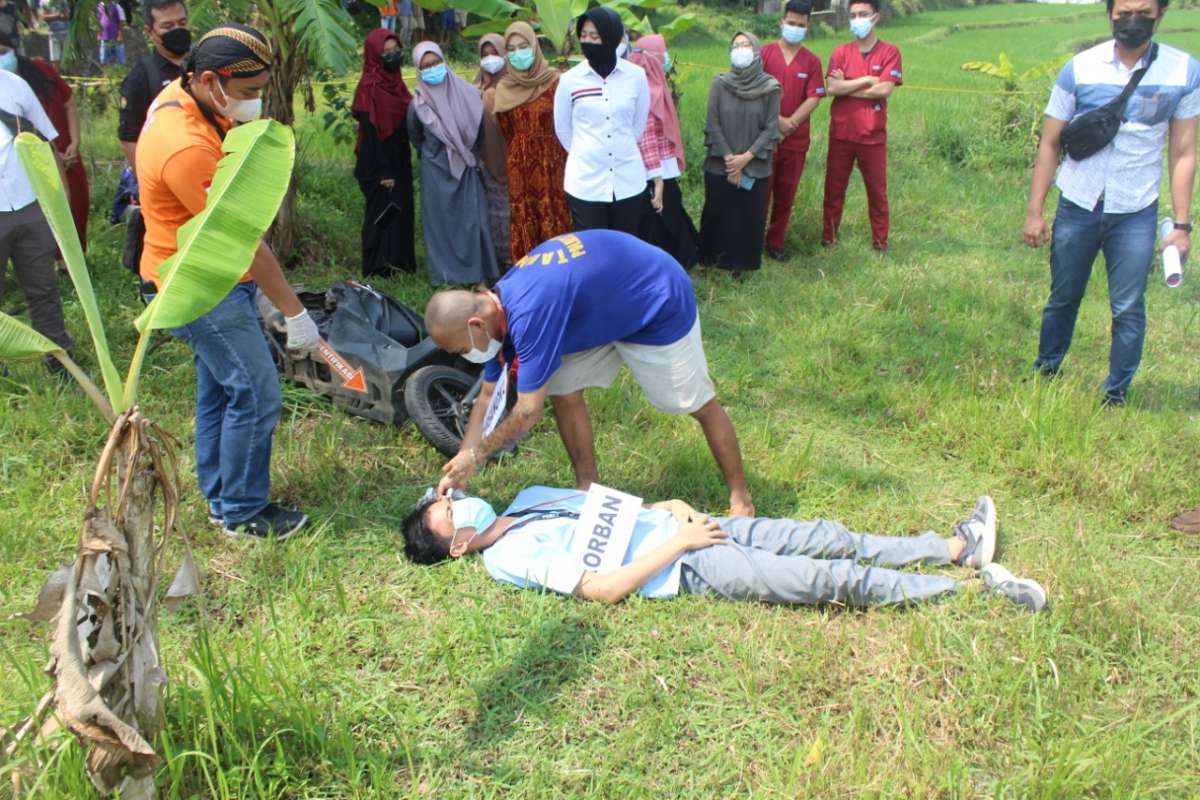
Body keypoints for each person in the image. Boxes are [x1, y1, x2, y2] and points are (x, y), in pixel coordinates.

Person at [423, 229, 756, 517]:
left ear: (475, 324)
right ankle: (588, 487)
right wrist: (462, 464)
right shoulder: (497, 308)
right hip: (608, 308)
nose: (465, 356)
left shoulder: (529, 313)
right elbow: (485, 398)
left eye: (459, 349)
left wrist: (478, 455)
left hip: (655, 301)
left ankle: (740, 498)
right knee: (563, 386)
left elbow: (526, 412)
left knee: (696, 404)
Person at [137, 24, 320, 540]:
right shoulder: (183, 145)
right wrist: (295, 312)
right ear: (209, 80)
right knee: (257, 391)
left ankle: (221, 497)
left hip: (209, 272)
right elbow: (242, 239)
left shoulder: (183, 96)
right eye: (247, 94)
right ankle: (242, 510)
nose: (255, 103)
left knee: (220, 388)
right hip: (196, 283)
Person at [402, 488, 1048, 613]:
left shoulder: (528, 496)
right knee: (827, 579)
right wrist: (679, 541)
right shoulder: (504, 558)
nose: (459, 498)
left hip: (691, 527)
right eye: (449, 509)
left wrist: (673, 508)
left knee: (828, 536)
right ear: (456, 545)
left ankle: (955, 546)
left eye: (449, 494)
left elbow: (616, 507)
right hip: (685, 564)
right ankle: (976, 591)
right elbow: (600, 587)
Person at [1023, 0, 1198, 407]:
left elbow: (1184, 151)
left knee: (1128, 307)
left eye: (1142, 11)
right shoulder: (1080, 68)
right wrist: (1035, 211)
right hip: (1078, 203)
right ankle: (1047, 369)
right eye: (1123, 11)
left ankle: (1116, 393)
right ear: (1109, 14)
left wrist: (1182, 225)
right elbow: (1050, 143)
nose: (1132, 20)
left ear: (1161, 14)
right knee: (1063, 295)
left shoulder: (1184, 72)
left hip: (1136, 209)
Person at [0, 61, 74, 370]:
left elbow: (45, 141)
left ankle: (59, 357)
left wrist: (62, 199)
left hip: (29, 204)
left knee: (43, 288)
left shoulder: (14, 85)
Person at [408, 41, 499, 286]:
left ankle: (478, 276)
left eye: (436, 62)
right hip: (436, 173)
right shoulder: (418, 105)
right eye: (426, 66)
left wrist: (463, 152)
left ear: (444, 61)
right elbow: (415, 136)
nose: (433, 69)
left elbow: (480, 132)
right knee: (442, 226)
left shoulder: (469, 94)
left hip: (467, 168)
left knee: (474, 222)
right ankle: (446, 278)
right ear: (418, 70)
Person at [553, 7, 650, 234]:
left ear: (613, 37)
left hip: (627, 178)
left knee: (625, 245)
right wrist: (587, 152)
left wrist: (618, 147)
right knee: (592, 247)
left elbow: (637, 126)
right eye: (584, 36)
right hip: (585, 181)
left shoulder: (636, 76)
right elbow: (563, 129)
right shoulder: (570, 80)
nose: (588, 41)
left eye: (595, 36)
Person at [822, 0, 902, 253]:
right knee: (834, 189)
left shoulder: (890, 52)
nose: (857, 19)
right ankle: (828, 238)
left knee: (877, 192)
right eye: (853, 14)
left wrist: (848, 86)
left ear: (875, 17)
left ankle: (880, 241)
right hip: (842, 133)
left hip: (872, 135)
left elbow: (885, 90)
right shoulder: (840, 53)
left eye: (863, 14)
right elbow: (831, 88)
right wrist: (867, 80)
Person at [698, 31, 781, 274]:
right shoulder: (720, 83)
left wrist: (745, 159)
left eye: (746, 45)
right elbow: (713, 124)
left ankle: (742, 266)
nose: (740, 49)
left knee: (747, 216)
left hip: (755, 164)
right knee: (717, 212)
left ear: (756, 50)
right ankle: (711, 262)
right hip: (719, 163)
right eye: (736, 45)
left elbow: (771, 128)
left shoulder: (770, 87)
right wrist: (730, 160)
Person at [489, 21, 570, 264]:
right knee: (525, 218)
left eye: (523, 46)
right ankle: (529, 275)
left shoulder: (557, 82)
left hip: (553, 162)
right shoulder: (505, 87)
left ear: (535, 46)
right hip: (520, 167)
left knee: (555, 216)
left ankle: (563, 271)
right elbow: (506, 130)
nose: (517, 53)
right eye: (511, 49)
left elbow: (567, 123)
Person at [1, 31, 88, 252]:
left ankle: (72, 258)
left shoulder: (39, 72)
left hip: (66, 151)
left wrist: (74, 143)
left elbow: (68, 102)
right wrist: (49, 155)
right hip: (35, 162)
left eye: (3, 52)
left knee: (75, 206)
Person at [761, 0, 825, 261]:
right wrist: (776, 121)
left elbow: (814, 97)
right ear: (781, 22)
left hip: (795, 141)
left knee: (786, 195)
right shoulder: (764, 54)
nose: (795, 28)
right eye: (791, 23)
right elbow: (754, 92)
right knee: (760, 193)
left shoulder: (811, 61)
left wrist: (789, 125)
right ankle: (752, 240)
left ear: (807, 26)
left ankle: (775, 243)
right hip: (764, 138)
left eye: (800, 25)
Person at [629, 34, 699, 270]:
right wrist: (657, 179)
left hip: (656, 166)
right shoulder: (649, 91)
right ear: (653, 58)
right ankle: (672, 264)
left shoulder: (649, 85)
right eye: (663, 52)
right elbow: (647, 138)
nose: (667, 57)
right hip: (654, 169)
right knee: (664, 215)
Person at [351, 28, 416, 277]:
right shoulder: (369, 87)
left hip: (399, 157)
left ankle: (400, 263)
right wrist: (384, 170)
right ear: (374, 55)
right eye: (386, 52)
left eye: (396, 51)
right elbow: (370, 134)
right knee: (382, 213)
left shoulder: (396, 84)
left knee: (400, 209)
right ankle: (378, 265)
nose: (392, 56)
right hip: (378, 163)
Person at [118, 0, 190, 171]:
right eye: (167, 26)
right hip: (167, 171)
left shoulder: (205, 62)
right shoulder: (141, 77)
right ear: (150, 32)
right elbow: (129, 138)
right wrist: (148, 184)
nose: (177, 30)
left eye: (182, 23)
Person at [474, 32, 511, 270]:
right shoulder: (474, 91)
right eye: (485, 54)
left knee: (512, 214)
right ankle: (496, 263)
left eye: (494, 53)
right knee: (492, 214)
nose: (490, 59)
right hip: (485, 162)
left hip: (516, 161)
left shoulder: (517, 86)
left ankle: (514, 260)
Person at [97, 0, 126, 67]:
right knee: (103, 59)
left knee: (120, 59)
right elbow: (97, 20)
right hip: (104, 37)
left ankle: (120, 73)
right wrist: (98, 32)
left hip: (115, 37)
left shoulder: (117, 6)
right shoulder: (99, 7)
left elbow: (121, 21)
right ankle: (106, 75)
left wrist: (120, 34)